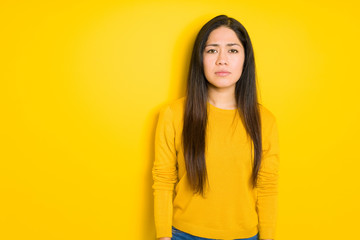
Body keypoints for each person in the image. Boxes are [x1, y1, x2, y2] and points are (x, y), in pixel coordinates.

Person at [152, 14, 280, 240]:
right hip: (183, 235)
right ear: (200, 58)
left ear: (244, 58)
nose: (222, 59)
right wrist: (163, 236)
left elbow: (267, 185)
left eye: (232, 50)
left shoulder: (264, 120)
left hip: (246, 236)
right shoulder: (173, 114)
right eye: (212, 50)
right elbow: (163, 179)